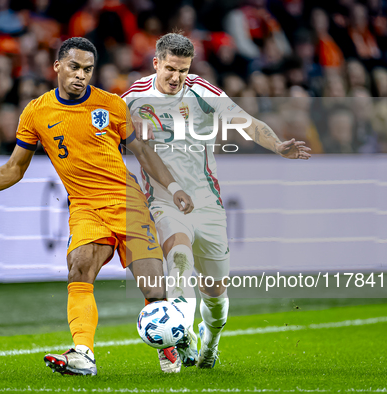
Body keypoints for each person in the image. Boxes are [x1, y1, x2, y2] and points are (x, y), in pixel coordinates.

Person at [0, 37, 194, 376]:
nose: (81, 75)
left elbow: (144, 153)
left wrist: (174, 187)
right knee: (79, 269)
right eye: (75, 67)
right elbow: (14, 168)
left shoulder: (111, 105)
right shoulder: (36, 112)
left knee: (153, 291)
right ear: (58, 67)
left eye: (88, 69)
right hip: (85, 209)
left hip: (128, 204)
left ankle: (173, 341)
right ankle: (83, 353)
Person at [122, 33, 310, 372]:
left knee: (216, 294)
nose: (176, 77)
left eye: (182, 70)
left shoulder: (202, 93)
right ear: (155, 64)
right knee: (178, 259)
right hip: (164, 201)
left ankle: (210, 342)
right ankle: (185, 339)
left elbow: (248, 124)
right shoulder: (132, 100)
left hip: (207, 204)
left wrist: (278, 145)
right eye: (169, 69)